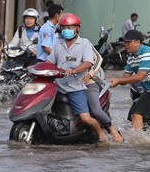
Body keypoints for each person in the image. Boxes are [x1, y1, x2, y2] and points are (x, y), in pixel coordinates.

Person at [46, 13, 110, 143]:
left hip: (77, 86)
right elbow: (49, 62)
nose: (67, 30)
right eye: (64, 27)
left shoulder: (84, 43)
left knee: (86, 117)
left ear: (77, 28)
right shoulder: (58, 45)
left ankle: (101, 132)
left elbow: (89, 62)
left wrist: (76, 71)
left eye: (70, 27)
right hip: (58, 86)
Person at [84, 47, 124, 143]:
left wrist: (90, 74)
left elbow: (98, 58)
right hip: (68, 85)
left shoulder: (84, 44)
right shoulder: (59, 45)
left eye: (69, 30)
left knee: (96, 110)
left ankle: (113, 130)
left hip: (89, 83)